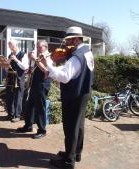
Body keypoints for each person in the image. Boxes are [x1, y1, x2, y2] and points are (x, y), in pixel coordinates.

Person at [43, 26, 94, 169]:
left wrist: (49, 66)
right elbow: (71, 70)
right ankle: (75, 153)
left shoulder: (77, 56)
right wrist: (56, 69)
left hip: (75, 94)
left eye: (69, 40)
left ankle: (68, 161)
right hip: (83, 92)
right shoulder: (86, 52)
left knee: (71, 126)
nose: (66, 44)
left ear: (77, 39)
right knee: (79, 125)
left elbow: (65, 76)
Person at [16, 40, 52, 139]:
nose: (37, 49)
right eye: (37, 47)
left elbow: (47, 71)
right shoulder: (39, 57)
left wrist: (34, 59)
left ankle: (42, 130)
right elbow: (37, 68)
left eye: (40, 47)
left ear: (46, 47)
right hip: (35, 84)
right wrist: (30, 70)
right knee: (29, 106)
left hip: (42, 84)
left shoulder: (49, 56)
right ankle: (28, 125)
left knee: (40, 107)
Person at [6, 39, 29, 122]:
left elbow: (25, 67)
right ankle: (10, 114)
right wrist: (7, 62)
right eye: (9, 46)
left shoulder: (23, 54)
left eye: (12, 46)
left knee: (18, 98)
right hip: (11, 78)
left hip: (19, 78)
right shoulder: (10, 55)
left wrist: (16, 60)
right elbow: (6, 68)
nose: (11, 48)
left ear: (16, 45)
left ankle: (18, 115)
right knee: (9, 97)